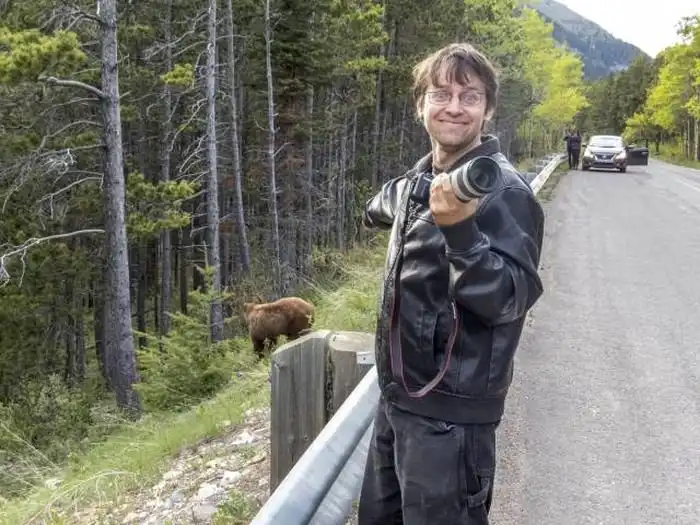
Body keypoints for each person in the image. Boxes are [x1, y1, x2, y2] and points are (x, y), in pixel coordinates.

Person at [358, 42, 545, 525]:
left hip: (452, 425)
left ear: (489, 109)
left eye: (470, 96)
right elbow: (384, 203)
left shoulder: (505, 191)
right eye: (441, 94)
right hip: (397, 404)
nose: (455, 107)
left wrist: (460, 232)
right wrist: (380, 206)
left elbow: (508, 300)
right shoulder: (421, 180)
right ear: (420, 105)